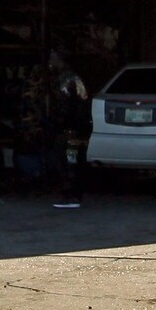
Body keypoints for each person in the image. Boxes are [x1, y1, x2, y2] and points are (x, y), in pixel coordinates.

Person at [48, 49, 89, 209]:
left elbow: (64, 107)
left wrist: (58, 124)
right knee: (74, 161)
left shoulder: (66, 80)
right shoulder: (75, 78)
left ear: (61, 61)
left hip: (70, 130)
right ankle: (74, 195)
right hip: (77, 129)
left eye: (53, 59)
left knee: (69, 162)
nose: (50, 63)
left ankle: (71, 196)